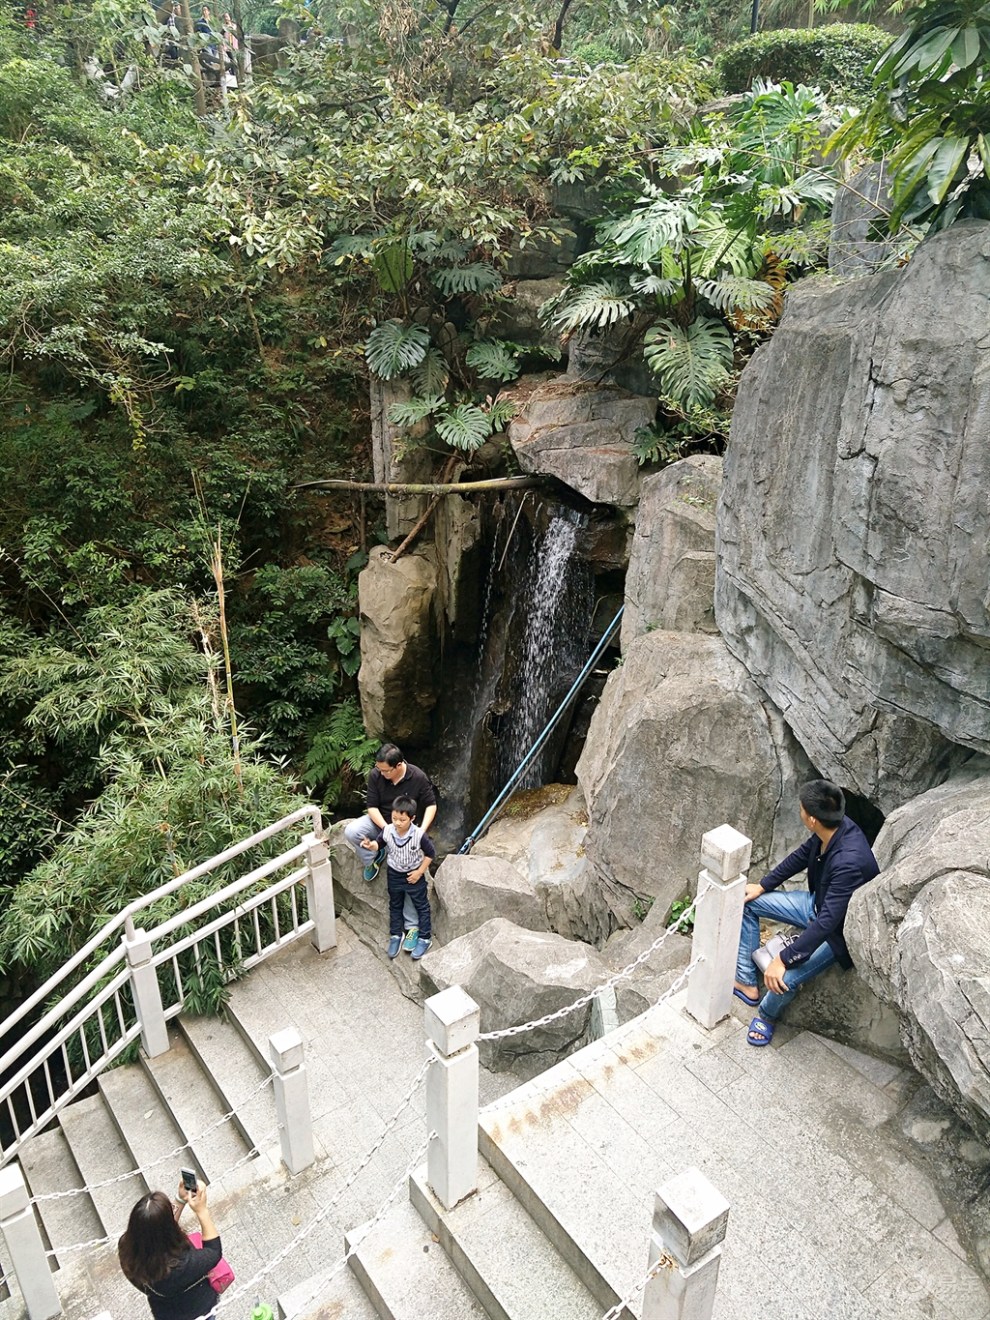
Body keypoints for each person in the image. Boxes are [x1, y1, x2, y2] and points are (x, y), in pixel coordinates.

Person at [732, 778, 879, 1047]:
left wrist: (784, 959)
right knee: (749, 903)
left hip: (837, 932)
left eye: (801, 808)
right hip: (818, 904)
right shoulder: (834, 829)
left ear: (811, 819)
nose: (799, 810)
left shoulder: (849, 860)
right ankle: (746, 982)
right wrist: (763, 885)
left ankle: (766, 1015)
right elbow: (801, 856)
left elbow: (827, 923)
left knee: (782, 978)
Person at [343, 743, 438, 952]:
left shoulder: (418, 777)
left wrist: (421, 830)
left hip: (407, 829)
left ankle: (412, 928)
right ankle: (374, 859)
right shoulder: (376, 775)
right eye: (379, 769)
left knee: (410, 881)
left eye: (385, 770)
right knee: (351, 831)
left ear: (398, 766)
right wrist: (388, 831)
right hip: (383, 824)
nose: (381, 773)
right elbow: (371, 807)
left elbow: (431, 805)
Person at [118, 1179, 221, 1319]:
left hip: (164, 1311)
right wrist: (202, 1211)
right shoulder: (178, 1267)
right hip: (197, 1311)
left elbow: (159, 1229)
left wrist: (180, 1200)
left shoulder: (127, 1246)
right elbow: (214, 1252)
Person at [363, 795, 434, 961]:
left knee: (421, 906)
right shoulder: (388, 830)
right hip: (394, 873)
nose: (397, 823)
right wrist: (371, 845)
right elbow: (379, 844)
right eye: (394, 818)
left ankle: (425, 938)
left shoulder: (418, 835)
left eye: (402, 820)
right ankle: (396, 935)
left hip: (413, 874)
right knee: (395, 904)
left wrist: (419, 872)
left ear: (412, 818)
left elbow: (430, 854)